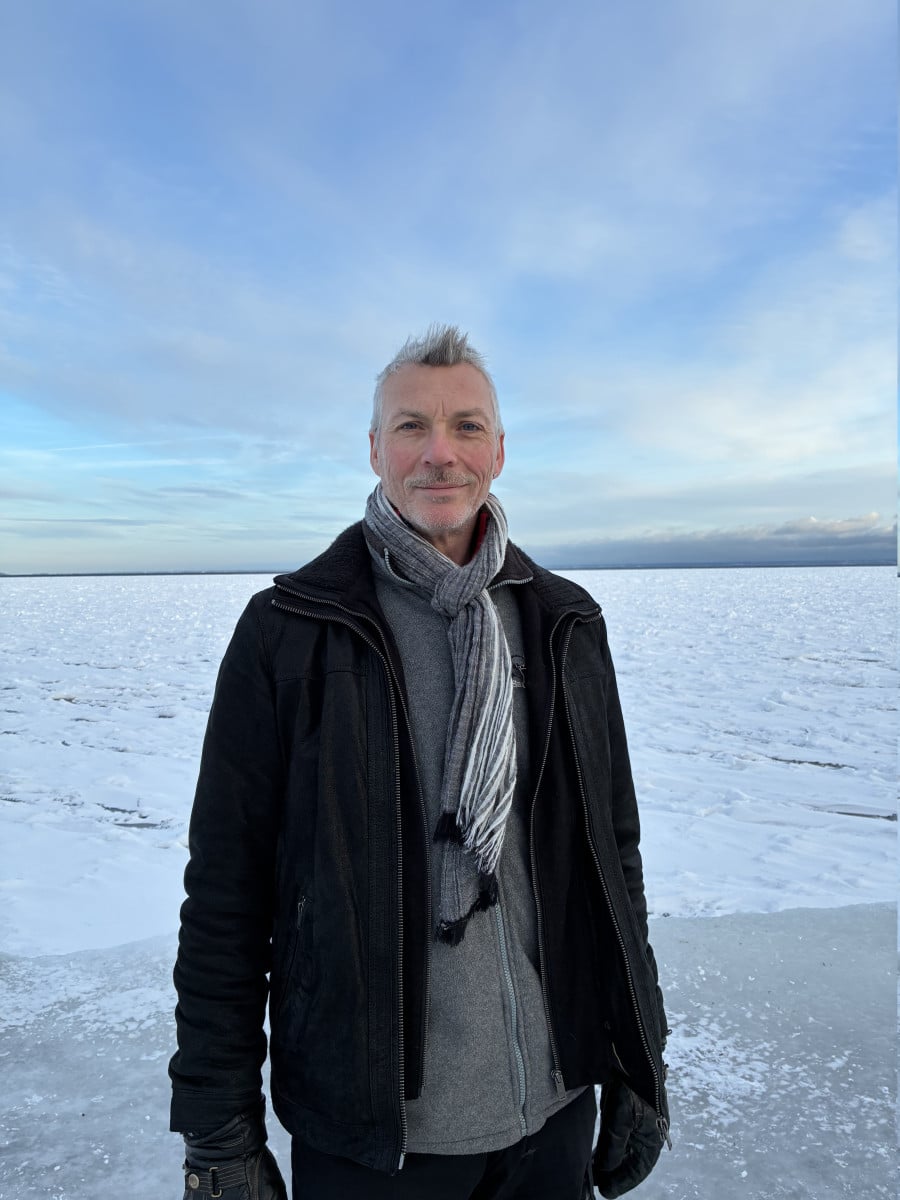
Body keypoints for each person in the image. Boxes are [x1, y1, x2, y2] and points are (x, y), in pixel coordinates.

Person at [170, 324, 670, 1200]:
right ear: (375, 449)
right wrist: (218, 1129)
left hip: (555, 1111)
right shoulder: (291, 632)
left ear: (499, 452)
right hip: (375, 1138)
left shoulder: (563, 623)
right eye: (412, 427)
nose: (440, 453)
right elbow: (226, 891)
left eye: (466, 426)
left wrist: (639, 1055)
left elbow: (611, 863)